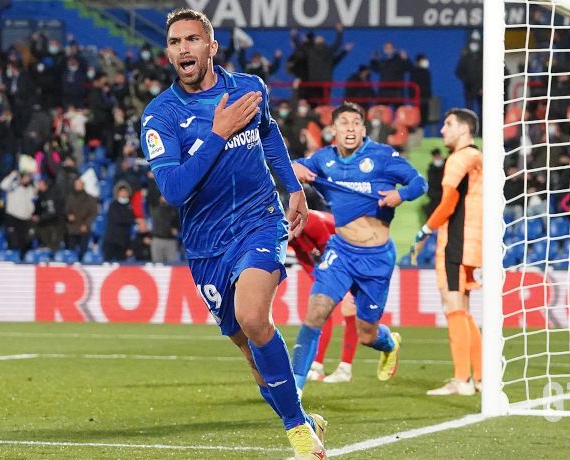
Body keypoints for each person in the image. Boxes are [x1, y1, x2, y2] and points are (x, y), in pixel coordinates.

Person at [141, 9, 326, 459]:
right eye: (174, 42)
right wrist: (217, 134)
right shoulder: (159, 116)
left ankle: (298, 436)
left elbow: (269, 135)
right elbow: (173, 189)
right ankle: (302, 418)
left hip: (259, 221)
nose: (183, 48)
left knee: (252, 316)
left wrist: (293, 186)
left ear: (211, 46)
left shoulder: (249, 88)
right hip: (206, 245)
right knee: (251, 353)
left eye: (192, 39)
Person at [289, 102, 427, 395]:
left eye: (355, 123)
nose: (350, 128)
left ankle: (389, 343)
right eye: (344, 123)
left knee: (367, 334)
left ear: (363, 129)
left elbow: (420, 182)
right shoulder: (324, 159)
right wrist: (294, 168)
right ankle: (294, 391)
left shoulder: (382, 156)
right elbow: (293, 167)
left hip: (376, 259)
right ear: (333, 130)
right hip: (341, 252)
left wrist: (400, 195)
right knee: (315, 314)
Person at [410, 108, 483, 396]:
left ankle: (461, 379)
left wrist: (425, 230)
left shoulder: (459, 158)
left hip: (456, 239)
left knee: (452, 307)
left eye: (448, 123)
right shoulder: (479, 157)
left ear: (464, 129)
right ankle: (480, 377)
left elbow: (448, 203)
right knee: (463, 309)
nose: (442, 129)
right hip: (473, 240)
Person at [288, 210, 359, 384]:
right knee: (320, 304)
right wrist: (320, 282)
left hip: (355, 251)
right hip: (336, 257)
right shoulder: (293, 237)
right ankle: (316, 365)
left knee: (350, 306)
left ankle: (345, 369)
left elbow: (332, 249)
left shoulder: (311, 221)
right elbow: (305, 259)